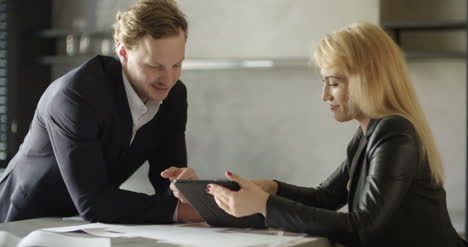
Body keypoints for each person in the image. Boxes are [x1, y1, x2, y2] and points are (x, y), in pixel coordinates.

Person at [207, 22, 466, 246]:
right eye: (325, 83)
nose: (325, 95)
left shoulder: (394, 133)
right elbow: (325, 198)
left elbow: (363, 228)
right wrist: (272, 189)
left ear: (367, 79)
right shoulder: (368, 134)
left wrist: (265, 205)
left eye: (334, 83)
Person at [0, 0, 203, 224]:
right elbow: (93, 202)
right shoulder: (76, 97)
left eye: (177, 65)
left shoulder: (173, 95)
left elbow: (166, 177)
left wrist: (181, 189)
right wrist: (181, 212)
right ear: (123, 52)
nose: (168, 79)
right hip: (24, 219)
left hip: (87, 223)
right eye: (155, 66)